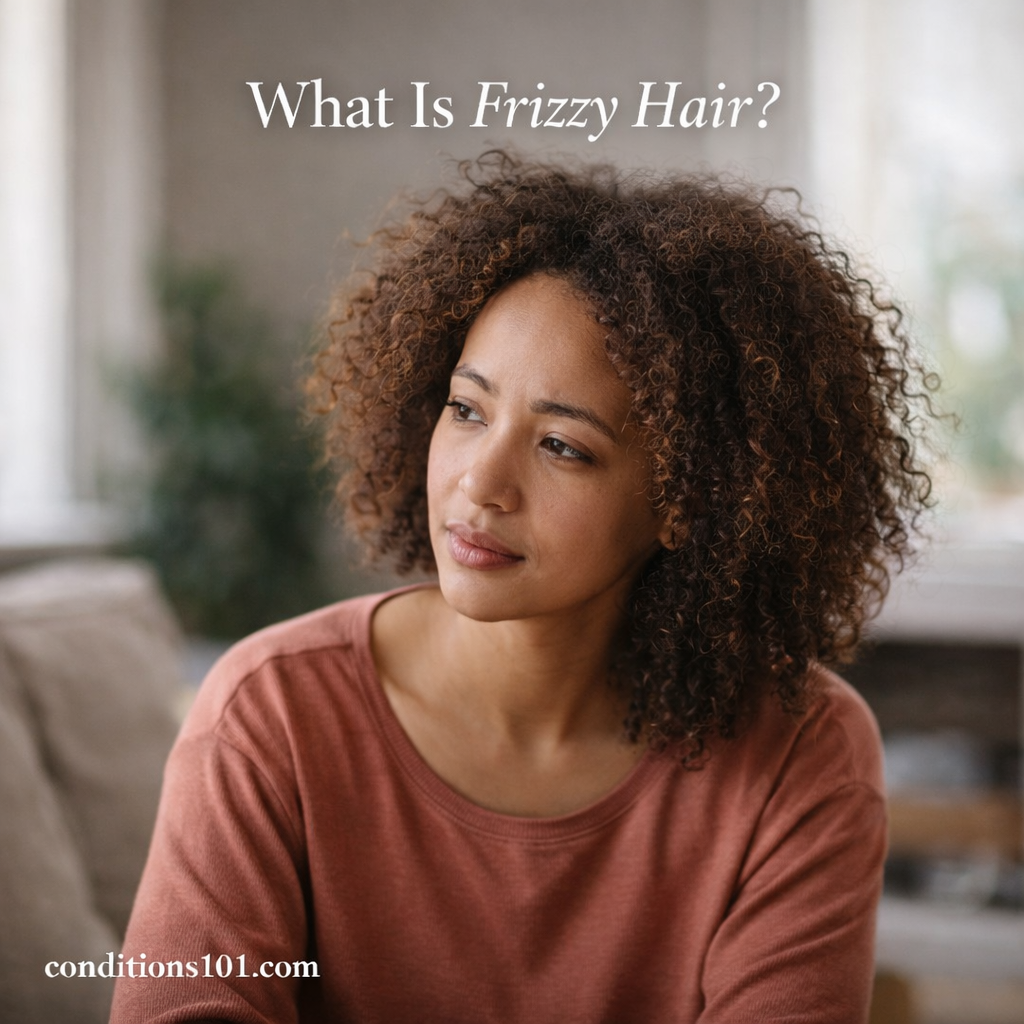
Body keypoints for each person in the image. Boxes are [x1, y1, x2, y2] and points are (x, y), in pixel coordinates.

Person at [111, 152, 939, 1024]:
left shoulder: (800, 753)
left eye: (563, 447)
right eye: (466, 410)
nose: (480, 483)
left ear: (688, 501)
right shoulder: (271, 711)